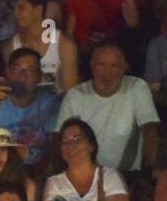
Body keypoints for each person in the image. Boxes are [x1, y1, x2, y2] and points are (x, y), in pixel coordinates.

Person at [55, 42, 159, 176]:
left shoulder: (137, 87)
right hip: (86, 175)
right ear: (92, 65)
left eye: (113, 66)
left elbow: (150, 130)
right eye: (101, 65)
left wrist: (146, 171)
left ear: (123, 67)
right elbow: (60, 137)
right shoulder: (75, 96)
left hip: (126, 174)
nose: (106, 72)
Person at [0, 47, 60, 168]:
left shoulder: (50, 103)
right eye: (16, 69)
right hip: (3, 169)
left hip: (40, 168)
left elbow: (55, 147)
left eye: (30, 70)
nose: (22, 75)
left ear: (39, 76)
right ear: (8, 72)